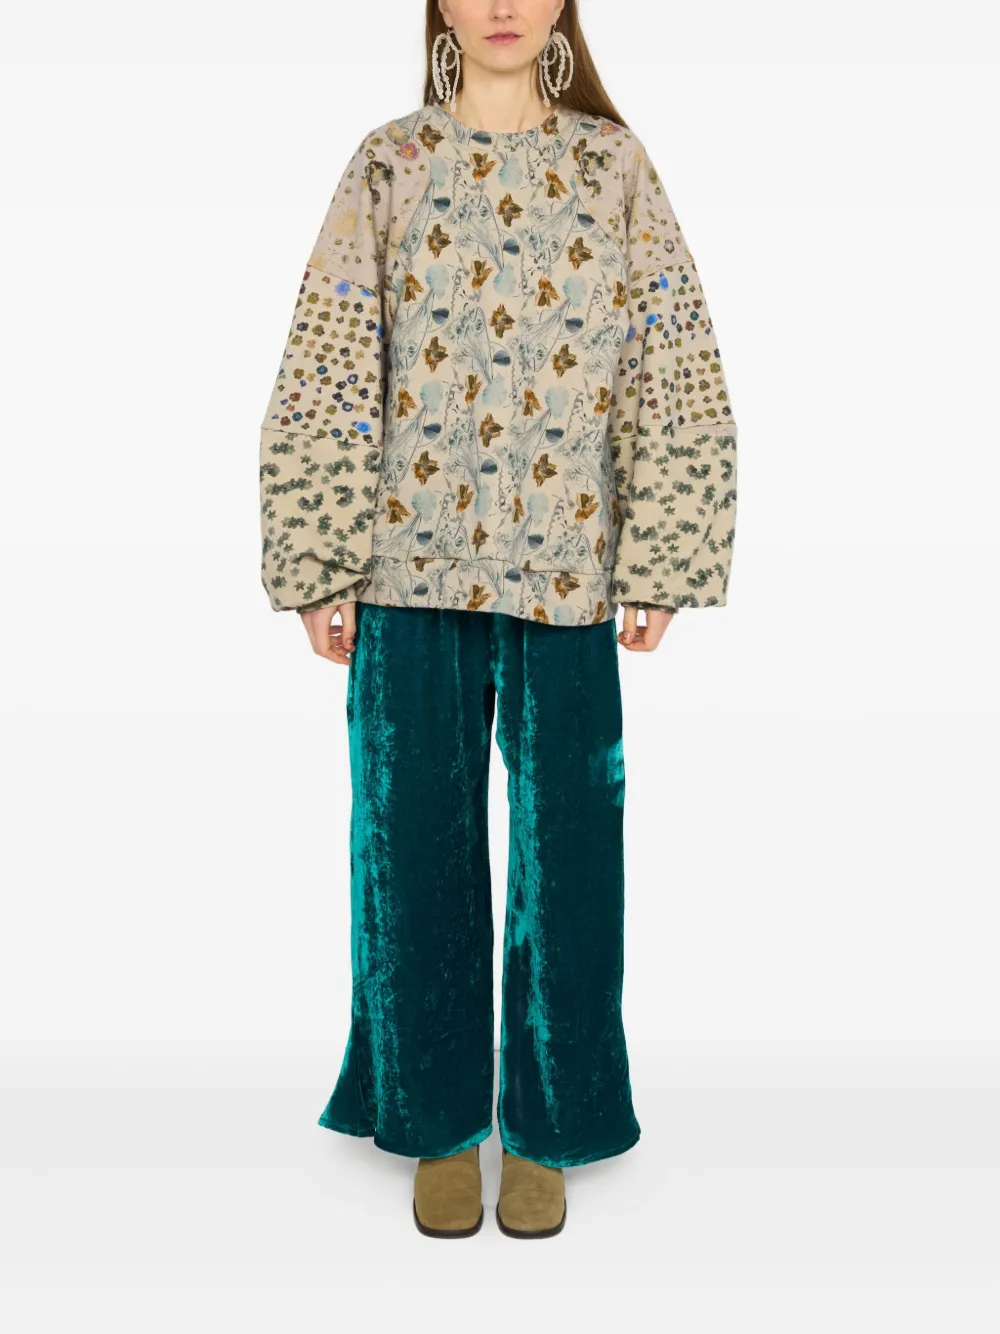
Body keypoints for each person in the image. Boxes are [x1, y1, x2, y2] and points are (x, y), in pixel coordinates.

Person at [258, 0, 737, 1239]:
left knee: (571, 862)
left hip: (567, 572)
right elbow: (330, 355)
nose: (504, 5)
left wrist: (661, 553)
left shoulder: (612, 166)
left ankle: (550, 1121)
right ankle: (433, 1120)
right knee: (409, 853)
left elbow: (672, 354)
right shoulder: (389, 163)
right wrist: (318, 561)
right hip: (403, 572)